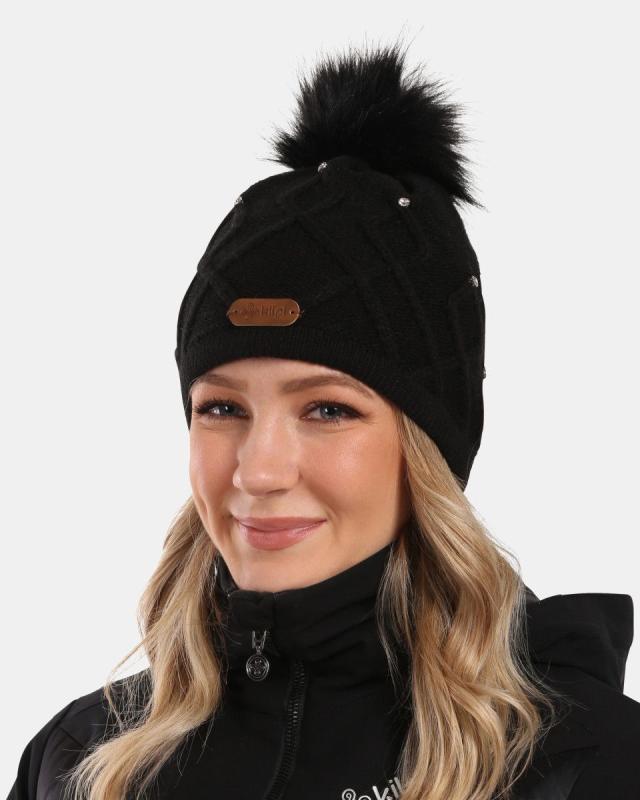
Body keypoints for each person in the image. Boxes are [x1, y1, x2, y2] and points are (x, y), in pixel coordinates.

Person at [7, 37, 640, 800]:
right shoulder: (82, 759)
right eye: (222, 408)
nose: (259, 471)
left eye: (328, 409)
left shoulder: (582, 764)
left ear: (427, 448)